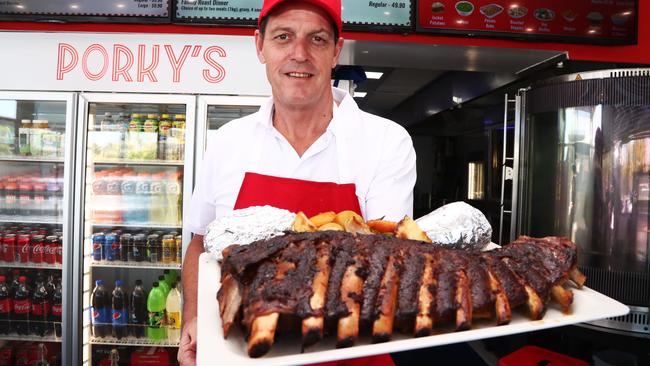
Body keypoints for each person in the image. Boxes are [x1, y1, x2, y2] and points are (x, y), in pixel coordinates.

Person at [178, 0, 416, 365]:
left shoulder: (386, 142)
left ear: (336, 51)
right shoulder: (229, 141)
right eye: (283, 37)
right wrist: (193, 318)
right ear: (260, 46)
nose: (299, 53)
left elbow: (388, 263)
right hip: (243, 353)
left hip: (353, 354)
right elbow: (198, 246)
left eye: (317, 39)